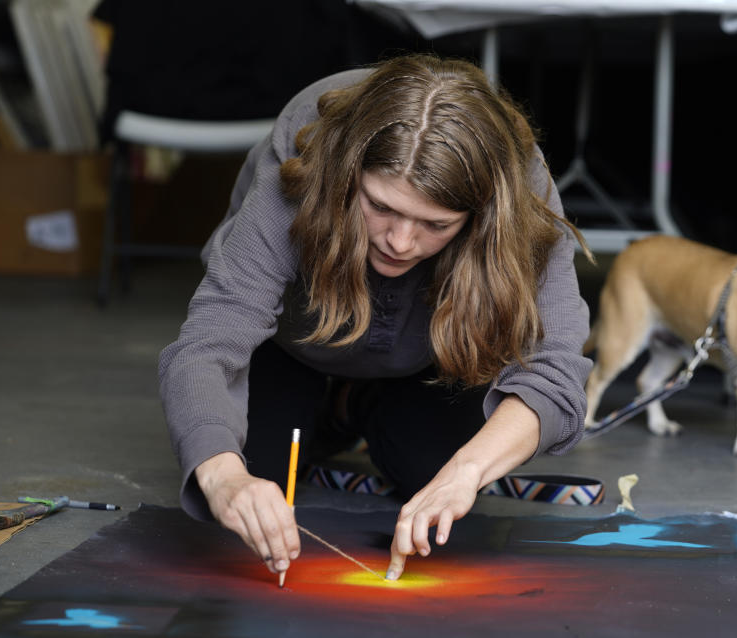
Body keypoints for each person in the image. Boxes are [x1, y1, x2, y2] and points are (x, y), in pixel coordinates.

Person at [158, 54, 593, 582]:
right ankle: (328, 406)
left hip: (426, 362)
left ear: (481, 213)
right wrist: (224, 477)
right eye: (381, 206)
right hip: (291, 347)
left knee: (437, 481)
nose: (401, 242)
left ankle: (358, 404)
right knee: (250, 491)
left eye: (436, 223)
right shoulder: (304, 149)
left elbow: (555, 371)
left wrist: (466, 472)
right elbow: (208, 340)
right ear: (348, 175)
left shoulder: (520, 189)